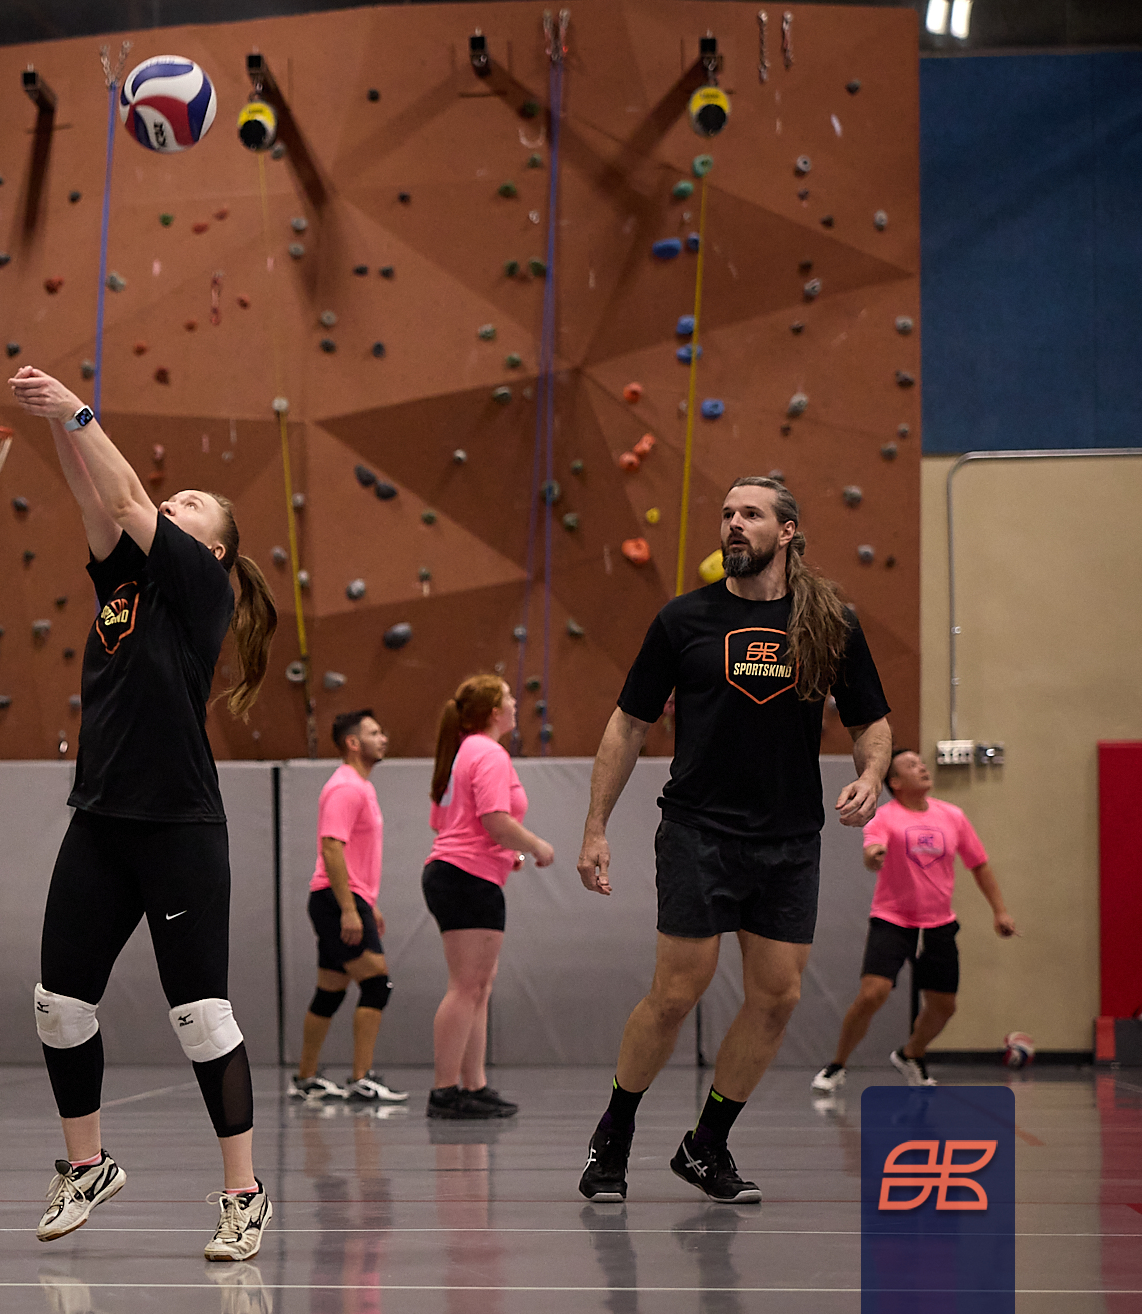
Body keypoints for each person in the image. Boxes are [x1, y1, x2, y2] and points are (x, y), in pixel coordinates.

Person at [9, 364, 279, 1261]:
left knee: (201, 1016)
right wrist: (57, 423)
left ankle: (243, 1193)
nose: (174, 499)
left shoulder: (202, 586)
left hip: (179, 828)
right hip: (101, 820)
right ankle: (87, 1166)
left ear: (216, 547)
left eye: (192, 502)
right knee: (58, 1004)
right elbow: (97, 496)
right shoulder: (124, 581)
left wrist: (79, 408)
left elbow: (124, 494)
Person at [575, 476, 891, 1204]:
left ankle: (706, 1144)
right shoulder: (683, 619)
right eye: (726, 514)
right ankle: (614, 1133)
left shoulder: (829, 621)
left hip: (790, 838)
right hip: (699, 831)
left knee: (778, 997)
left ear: (787, 532)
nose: (733, 524)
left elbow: (870, 719)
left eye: (751, 513)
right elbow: (628, 724)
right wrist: (595, 826)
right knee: (676, 992)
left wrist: (873, 773)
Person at [813, 749, 1017, 1092]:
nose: (921, 767)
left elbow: (979, 864)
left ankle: (911, 1053)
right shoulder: (885, 817)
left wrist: (1000, 911)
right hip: (893, 921)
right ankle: (837, 1065)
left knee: (944, 1006)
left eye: (921, 763)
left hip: (938, 924)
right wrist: (874, 856)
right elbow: (871, 850)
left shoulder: (952, 816)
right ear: (895, 782)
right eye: (911, 765)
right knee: (872, 994)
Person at [422, 674, 553, 1120]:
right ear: (495, 712)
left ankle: (473, 1085)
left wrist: (504, 853)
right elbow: (494, 819)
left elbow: (443, 820)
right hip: (466, 878)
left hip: (462, 874)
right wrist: (536, 846)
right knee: (466, 986)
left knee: (478, 985)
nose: (516, 704)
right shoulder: (489, 752)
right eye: (510, 698)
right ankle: (445, 1091)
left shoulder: (464, 751)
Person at [292, 709, 407, 1106]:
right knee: (376, 985)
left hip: (346, 898)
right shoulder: (345, 788)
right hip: (334, 899)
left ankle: (306, 1078)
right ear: (353, 743)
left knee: (330, 992)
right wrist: (348, 908)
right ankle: (361, 1079)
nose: (383, 738)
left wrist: (366, 904)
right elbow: (331, 848)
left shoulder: (361, 787)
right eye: (374, 733)